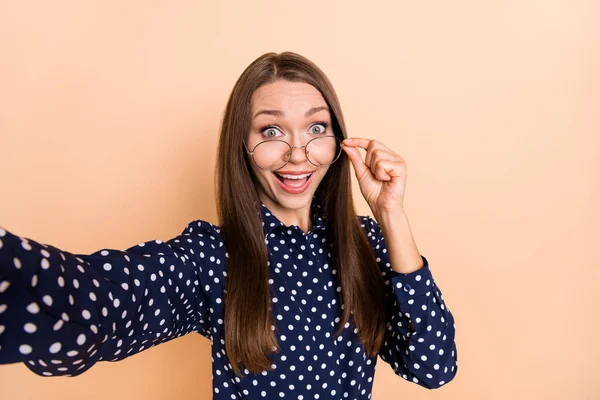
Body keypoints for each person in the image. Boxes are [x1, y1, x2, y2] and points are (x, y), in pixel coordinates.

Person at [0, 51, 457, 398]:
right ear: (242, 145)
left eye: (316, 128)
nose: (297, 153)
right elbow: (100, 301)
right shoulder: (212, 255)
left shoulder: (368, 243)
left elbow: (433, 366)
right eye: (271, 132)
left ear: (339, 141)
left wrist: (390, 213)